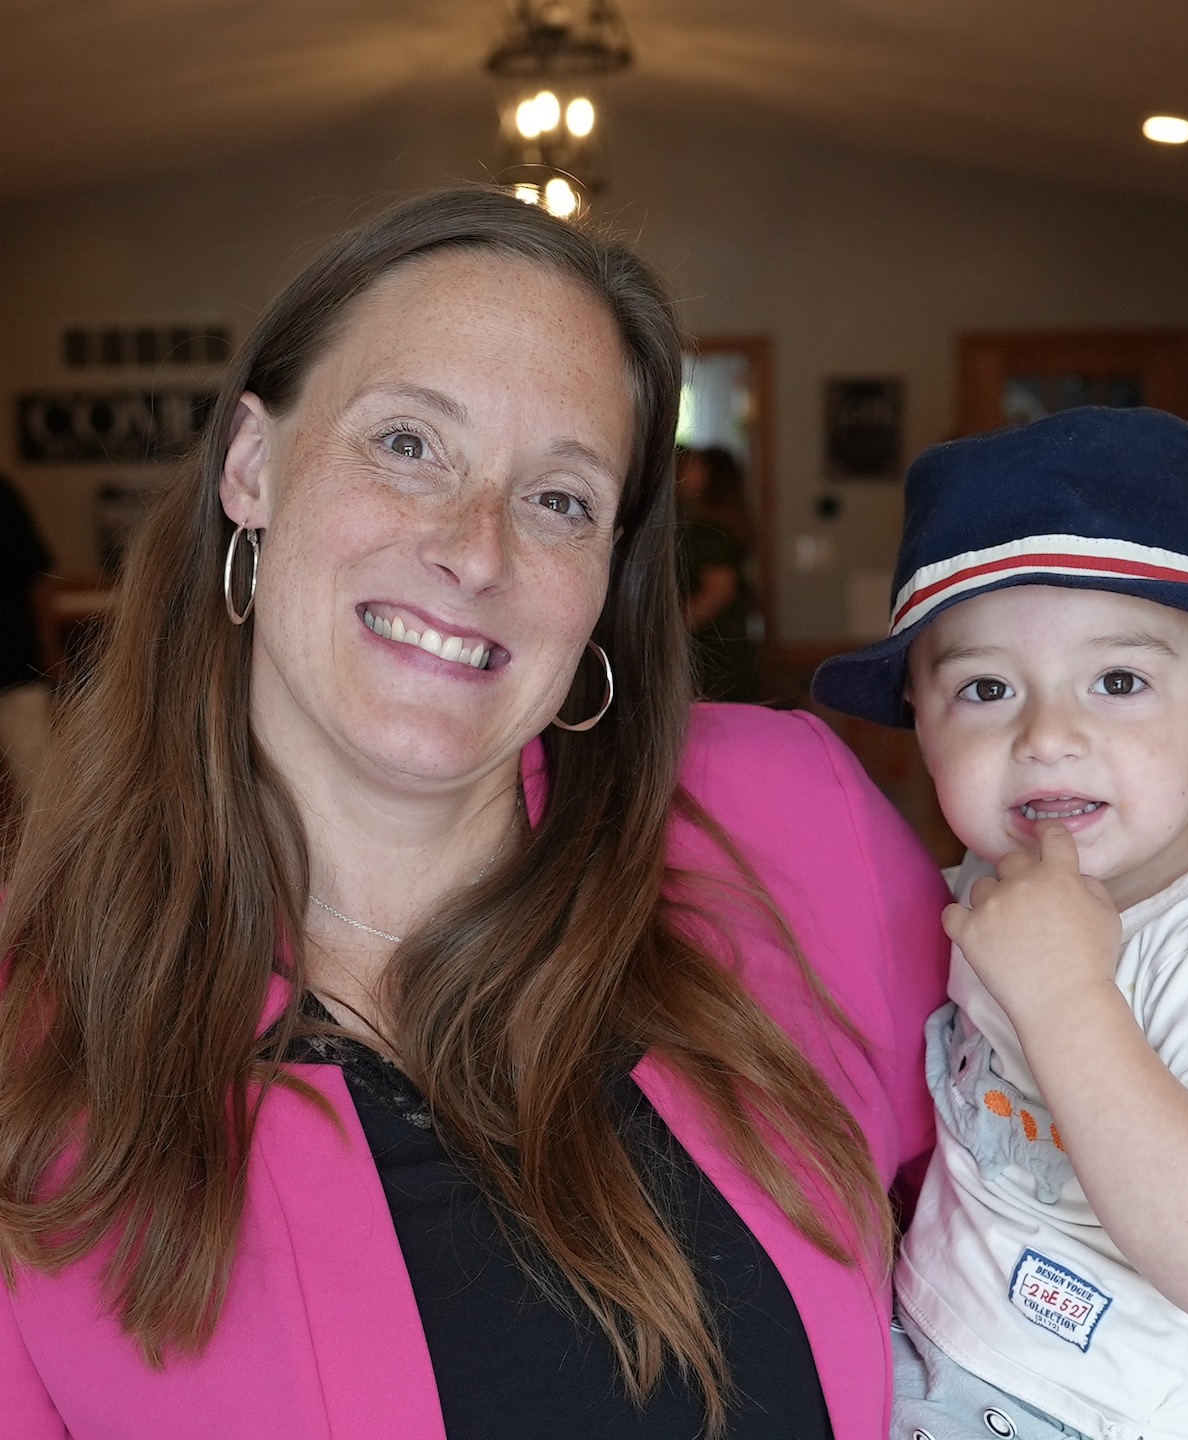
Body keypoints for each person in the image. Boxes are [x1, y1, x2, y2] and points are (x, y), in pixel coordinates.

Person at [0, 186, 951, 1440]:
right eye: (407, 443)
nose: (476, 549)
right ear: (251, 467)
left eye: (559, 498)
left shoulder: (791, 823)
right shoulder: (38, 1053)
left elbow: (1063, 1221)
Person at [813, 407, 1188, 1440]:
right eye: (985, 688)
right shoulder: (980, 891)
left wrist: (1067, 996)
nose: (1046, 736)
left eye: (1117, 681)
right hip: (928, 1354)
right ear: (918, 715)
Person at [676, 445, 759, 701]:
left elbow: (719, 590)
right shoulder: (724, 524)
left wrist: (673, 629)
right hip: (728, 645)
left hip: (712, 651)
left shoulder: (708, 532)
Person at [0, 473, 60, 806]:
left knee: (41, 790)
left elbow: (38, 581)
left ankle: (60, 859)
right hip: (18, 664)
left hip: (14, 666)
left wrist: (49, 653)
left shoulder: (4, 495)